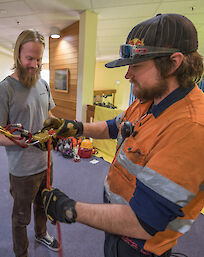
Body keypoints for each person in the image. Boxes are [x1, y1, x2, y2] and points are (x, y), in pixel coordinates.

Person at [40, 14, 204, 257]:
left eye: (136, 66)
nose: (128, 76)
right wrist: (74, 127)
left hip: (140, 246)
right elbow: (115, 127)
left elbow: (141, 222)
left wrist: (69, 208)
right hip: (116, 225)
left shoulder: (191, 128)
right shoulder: (149, 98)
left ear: (173, 63)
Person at [0, 30, 58, 257]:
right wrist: (14, 139)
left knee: (43, 205)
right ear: (17, 54)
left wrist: (55, 130)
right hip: (22, 170)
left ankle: (41, 233)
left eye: (39, 59)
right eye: (30, 58)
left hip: (45, 162)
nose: (35, 64)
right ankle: (21, 253)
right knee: (20, 217)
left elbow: (47, 117)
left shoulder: (43, 84)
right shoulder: (2, 91)